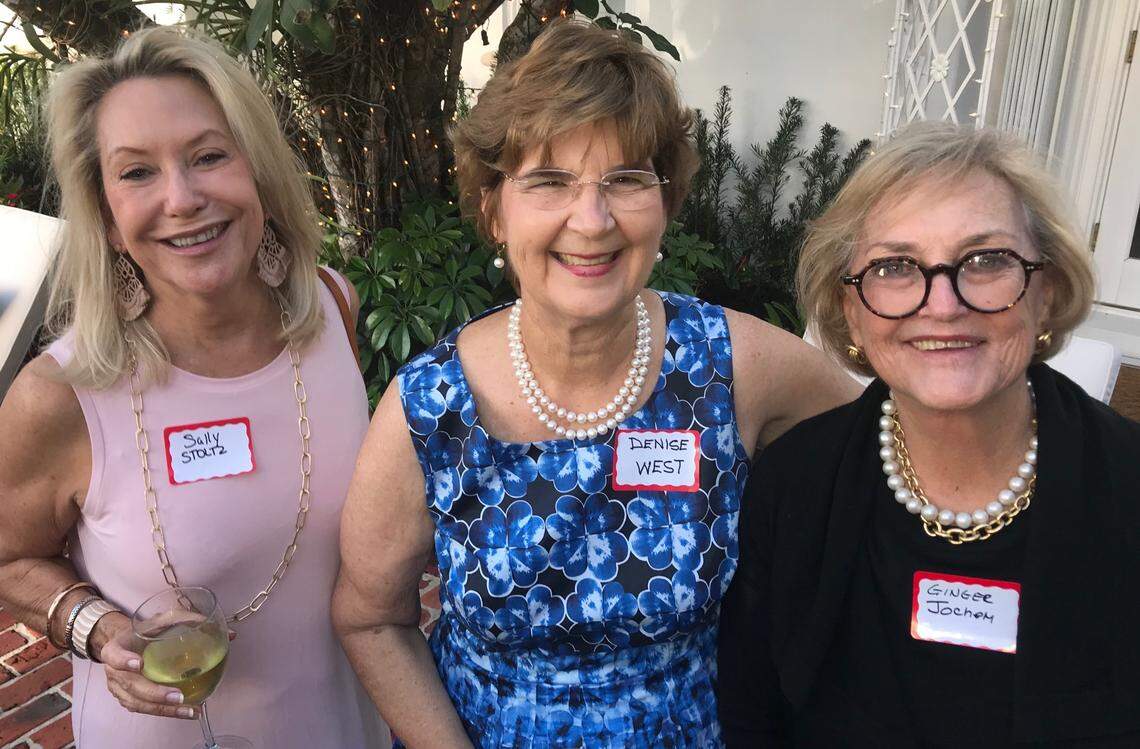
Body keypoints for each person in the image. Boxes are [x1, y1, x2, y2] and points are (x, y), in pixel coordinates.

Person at [332, 19, 860, 748]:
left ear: (665, 202)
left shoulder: (735, 367)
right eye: (550, 180)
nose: (593, 218)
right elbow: (371, 616)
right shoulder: (430, 409)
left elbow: (883, 448)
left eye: (627, 178)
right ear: (493, 207)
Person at [0, 27, 388, 747]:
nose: (181, 199)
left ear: (261, 176)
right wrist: (99, 627)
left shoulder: (334, 307)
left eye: (209, 156)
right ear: (109, 218)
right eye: (137, 173)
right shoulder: (60, 396)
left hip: (344, 725)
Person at [717, 122, 1140, 747]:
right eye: (895, 267)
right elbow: (753, 716)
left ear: (1046, 292)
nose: (942, 305)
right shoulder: (795, 484)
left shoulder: (1128, 485)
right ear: (850, 311)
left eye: (987, 260)